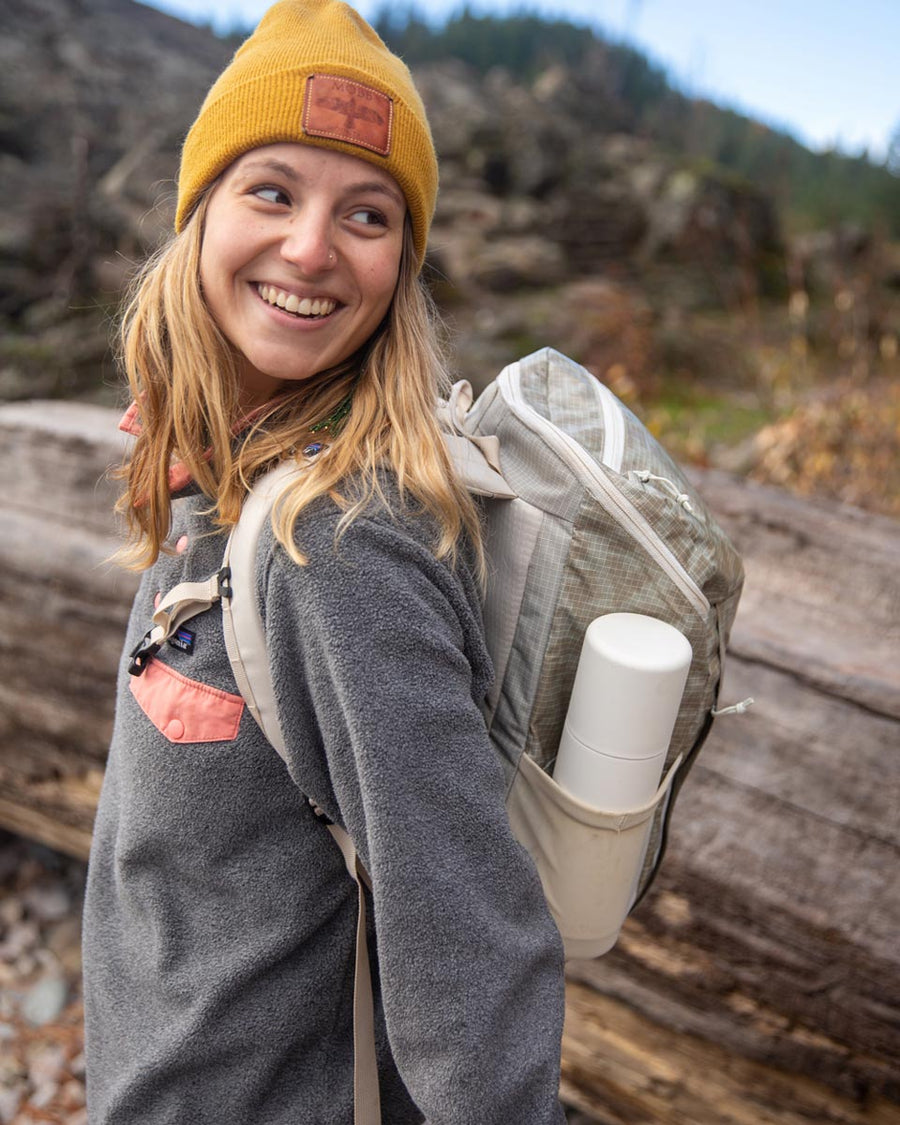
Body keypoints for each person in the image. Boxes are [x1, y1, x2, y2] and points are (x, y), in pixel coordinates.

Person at [81, 2, 567, 1122]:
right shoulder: (216, 474)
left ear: (401, 264)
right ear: (200, 214)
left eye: (366, 213)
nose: (311, 248)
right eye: (272, 191)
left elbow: (472, 945)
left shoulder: (342, 546)